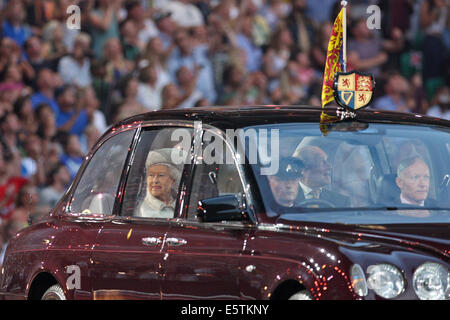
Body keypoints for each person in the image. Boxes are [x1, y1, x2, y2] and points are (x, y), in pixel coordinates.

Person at [137, 148, 183, 218]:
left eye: (161, 175)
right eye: (151, 175)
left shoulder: (181, 203)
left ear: (173, 180)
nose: (155, 181)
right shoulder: (140, 210)